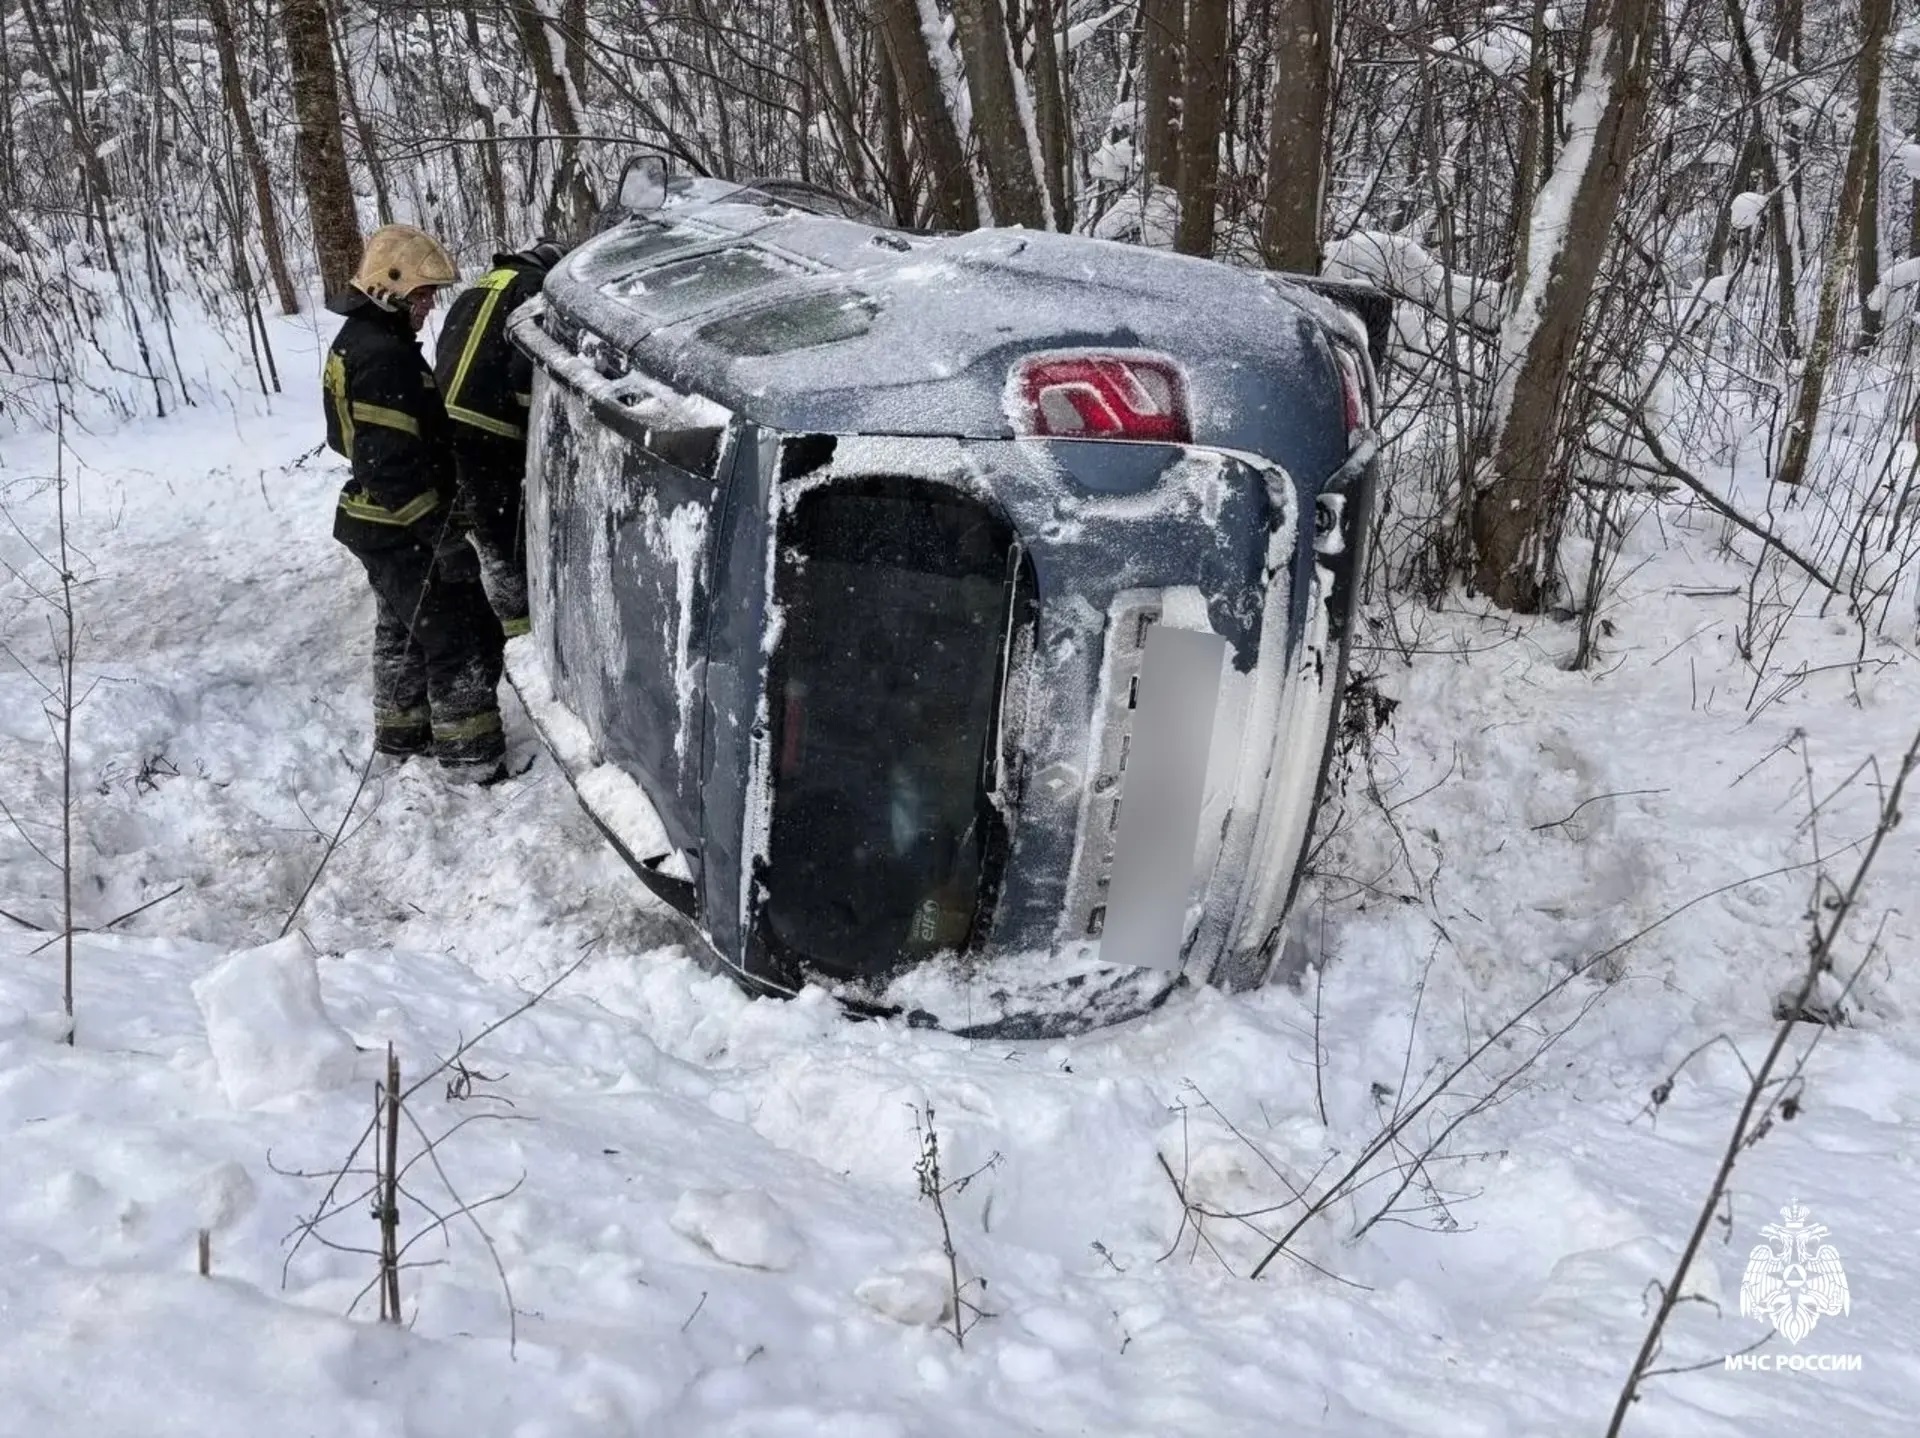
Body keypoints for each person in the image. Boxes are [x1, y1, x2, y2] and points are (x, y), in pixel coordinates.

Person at [324, 223, 507, 783]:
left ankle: (401, 733)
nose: (428, 306)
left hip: (374, 524)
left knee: (403, 629)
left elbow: (345, 440)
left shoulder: (364, 341)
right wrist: (441, 537)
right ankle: (472, 758)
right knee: (461, 632)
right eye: (422, 294)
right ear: (389, 286)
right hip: (401, 527)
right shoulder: (384, 358)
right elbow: (388, 468)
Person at [433, 238, 563, 638]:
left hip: (440, 418)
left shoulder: (479, 286)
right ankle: (519, 627)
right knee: (501, 529)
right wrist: (537, 427)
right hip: (487, 427)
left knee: (471, 516)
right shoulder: (536, 291)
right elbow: (526, 370)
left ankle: (482, 600)